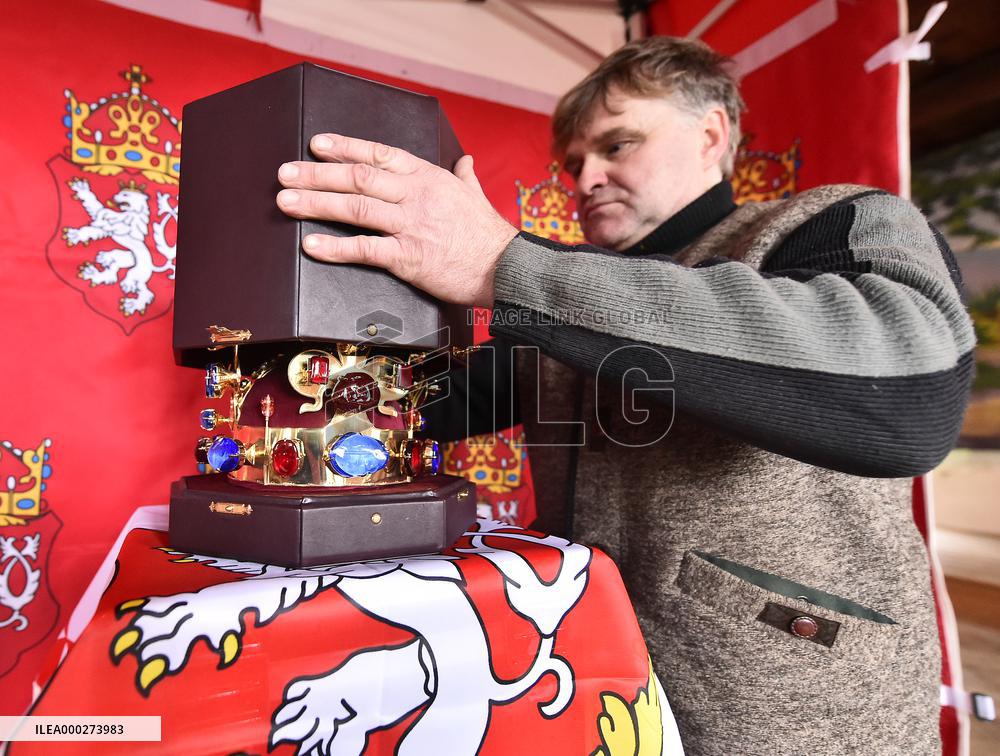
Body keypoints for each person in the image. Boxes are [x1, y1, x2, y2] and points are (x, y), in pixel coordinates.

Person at [275, 37, 974, 754]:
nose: (588, 177)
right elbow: (436, 403)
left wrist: (500, 262)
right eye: (575, 163)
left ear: (712, 134)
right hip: (600, 700)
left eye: (619, 144)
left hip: (802, 719)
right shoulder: (561, 305)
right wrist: (305, 350)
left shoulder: (831, 220)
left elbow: (910, 395)